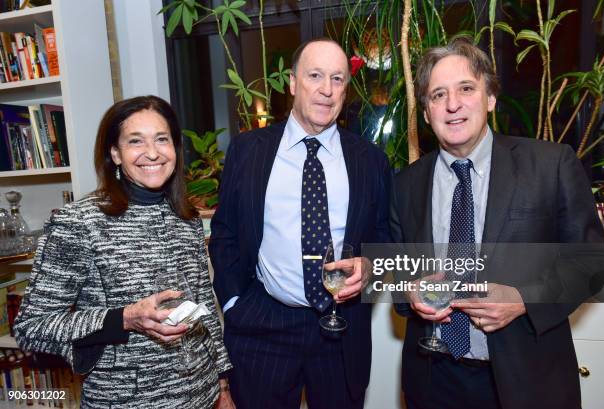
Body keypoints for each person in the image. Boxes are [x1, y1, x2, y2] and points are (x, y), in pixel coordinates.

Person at [390, 38, 604, 409]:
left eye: (466, 89)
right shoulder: (404, 185)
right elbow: (398, 274)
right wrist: (410, 292)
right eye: (438, 95)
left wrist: (524, 299)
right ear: (426, 112)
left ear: (490, 98)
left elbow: (593, 262)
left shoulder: (550, 165)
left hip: (528, 380)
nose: (453, 104)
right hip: (434, 379)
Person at [14, 95, 235, 409]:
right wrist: (124, 319)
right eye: (136, 141)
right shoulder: (79, 223)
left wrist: (222, 384)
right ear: (115, 153)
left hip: (201, 394)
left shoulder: (186, 217)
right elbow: (32, 329)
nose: (152, 153)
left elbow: (204, 310)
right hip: (125, 401)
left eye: (162, 139)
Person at [209, 38, 391, 409]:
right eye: (315, 76)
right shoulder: (247, 150)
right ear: (293, 83)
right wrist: (233, 304)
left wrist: (372, 266)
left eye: (338, 79)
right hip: (263, 325)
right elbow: (225, 233)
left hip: (342, 328)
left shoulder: (370, 160)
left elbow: (386, 235)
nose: (327, 89)